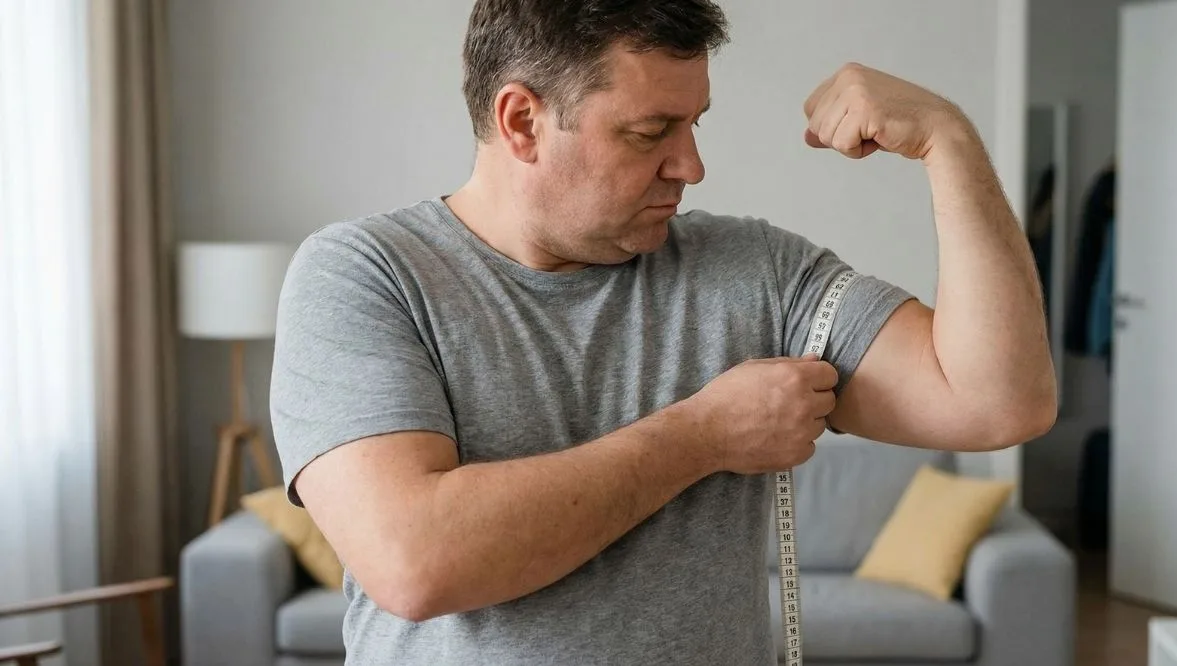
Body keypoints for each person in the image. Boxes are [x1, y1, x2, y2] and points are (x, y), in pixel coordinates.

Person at [268, 1, 1057, 664]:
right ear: (521, 121)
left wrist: (947, 144)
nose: (691, 165)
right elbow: (416, 561)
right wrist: (703, 435)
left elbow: (997, 405)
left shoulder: (756, 271)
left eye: (694, 124)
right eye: (650, 133)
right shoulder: (364, 276)